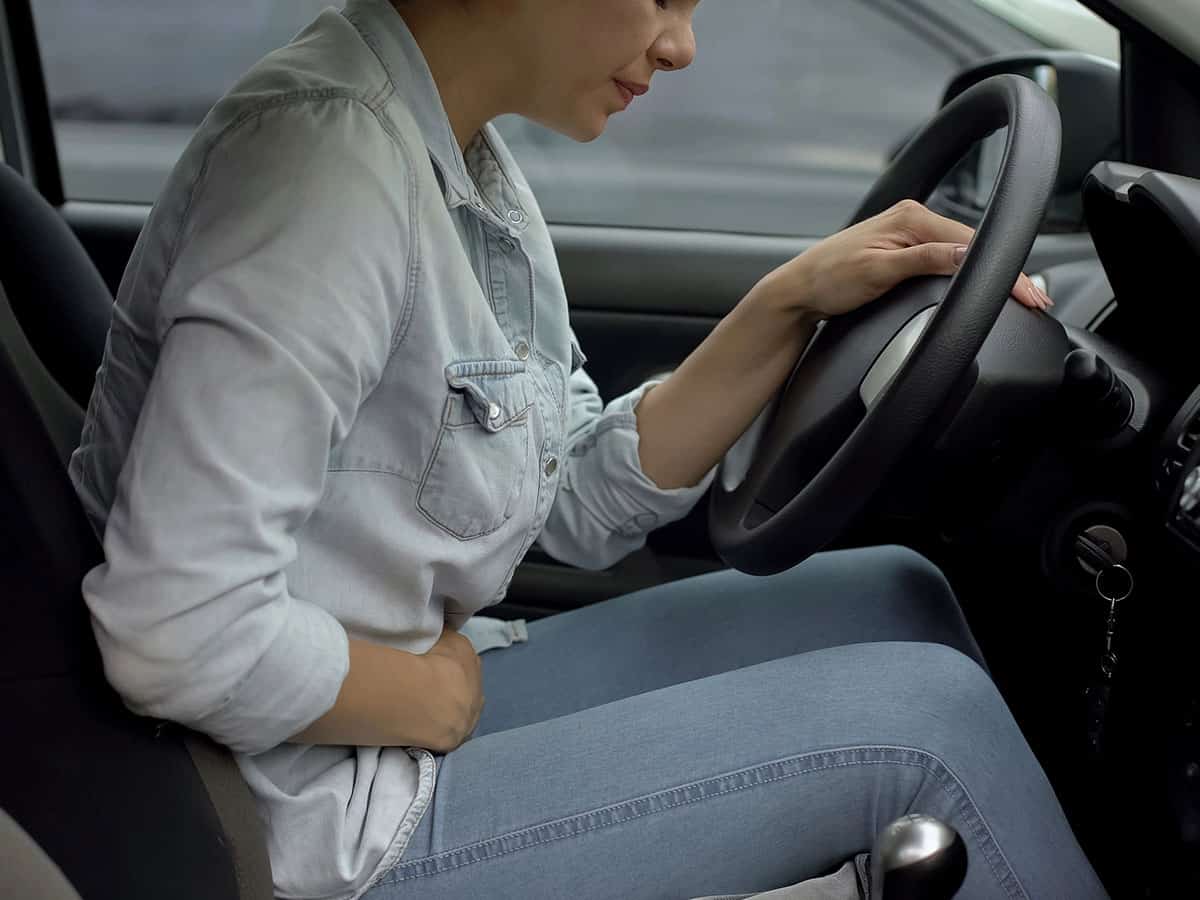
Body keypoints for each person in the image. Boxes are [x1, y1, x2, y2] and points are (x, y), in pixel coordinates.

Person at [68, 1, 1104, 897]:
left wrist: (791, 302)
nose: (682, 47)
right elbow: (178, 628)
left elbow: (562, 496)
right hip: (305, 817)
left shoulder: (457, 159)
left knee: (891, 594)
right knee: (928, 729)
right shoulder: (325, 176)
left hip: (390, 715)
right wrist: (425, 698)